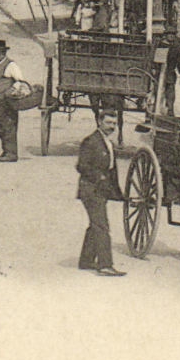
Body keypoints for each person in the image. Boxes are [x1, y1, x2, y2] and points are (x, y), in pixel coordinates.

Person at [76, 107, 127, 276]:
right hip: (90, 189)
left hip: (101, 191)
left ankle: (86, 261)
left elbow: (111, 170)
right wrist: (99, 177)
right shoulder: (90, 141)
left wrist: (118, 194)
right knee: (101, 226)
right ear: (99, 122)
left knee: (95, 224)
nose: (112, 126)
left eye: (114, 123)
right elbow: (82, 166)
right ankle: (105, 265)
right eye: (108, 122)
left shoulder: (108, 142)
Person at [0, 39, 28, 162]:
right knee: (1, 127)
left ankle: (11, 154)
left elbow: (20, 81)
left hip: (6, 102)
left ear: (4, 52)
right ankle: (6, 151)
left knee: (9, 126)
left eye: (0, 52)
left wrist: (10, 92)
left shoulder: (11, 65)